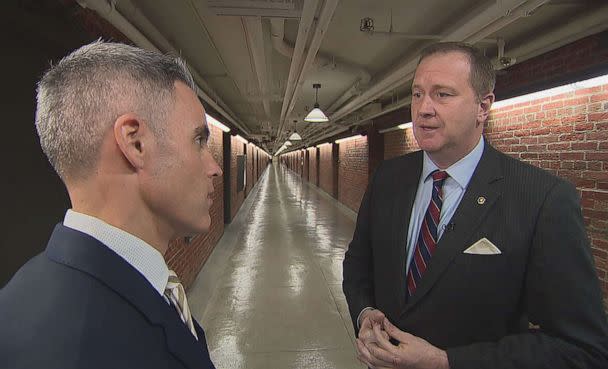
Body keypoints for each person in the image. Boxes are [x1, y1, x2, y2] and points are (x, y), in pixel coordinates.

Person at [343, 42, 608, 369]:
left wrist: (445, 361)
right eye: (417, 94)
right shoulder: (388, 179)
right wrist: (365, 313)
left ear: (483, 107)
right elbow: (357, 265)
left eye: (442, 94)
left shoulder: (543, 199)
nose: (424, 108)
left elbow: (582, 349)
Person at [0, 40, 221, 368]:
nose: (214, 167)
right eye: (199, 140)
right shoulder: (83, 350)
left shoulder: (23, 294)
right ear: (135, 143)